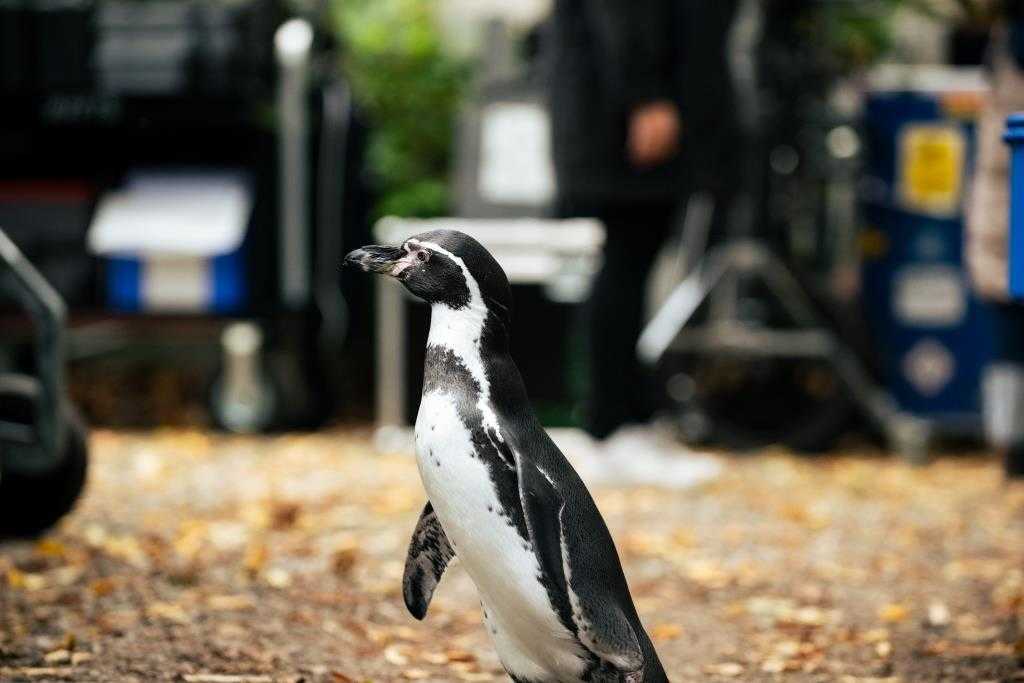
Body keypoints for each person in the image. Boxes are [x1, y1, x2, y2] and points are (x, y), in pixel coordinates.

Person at [546, 0, 735, 486]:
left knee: (632, 262)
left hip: (635, 110)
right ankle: (613, 429)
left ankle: (629, 423)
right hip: (627, 118)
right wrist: (645, 95)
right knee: (625, 263)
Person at [967, 1, 1024, 480]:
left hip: (1005, 187)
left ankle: (1008, 443)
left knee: (1008, 318)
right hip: (1007, 186)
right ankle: (1009, 444)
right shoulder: (1010, 33)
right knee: (1008, 313)